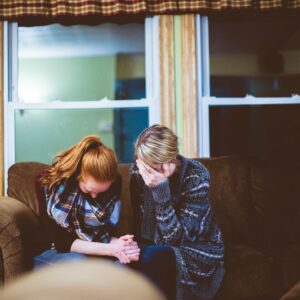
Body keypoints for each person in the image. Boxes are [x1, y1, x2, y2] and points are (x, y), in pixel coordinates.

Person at [129, 125, 225, 300]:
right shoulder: (138, 173)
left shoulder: (196, 175)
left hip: (197, 248)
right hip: (156, 245)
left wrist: (161, 190)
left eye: (154, 167)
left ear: (171, 159)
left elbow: (175, 240)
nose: (148, 173)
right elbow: (144, 231)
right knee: (130, 258)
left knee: (153, 257)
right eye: (145, 166)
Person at [34, 135, 140, 268]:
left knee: (124, 265)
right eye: (88, 190)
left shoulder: (114, 185)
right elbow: (62, 243)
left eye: (101, 192)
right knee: (80, 264)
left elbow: (105, 234)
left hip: (93, 250)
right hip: (54, 251)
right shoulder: (48, 183)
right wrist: (111, 249)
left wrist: (121, 245)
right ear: (78, 176)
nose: (94, 197)